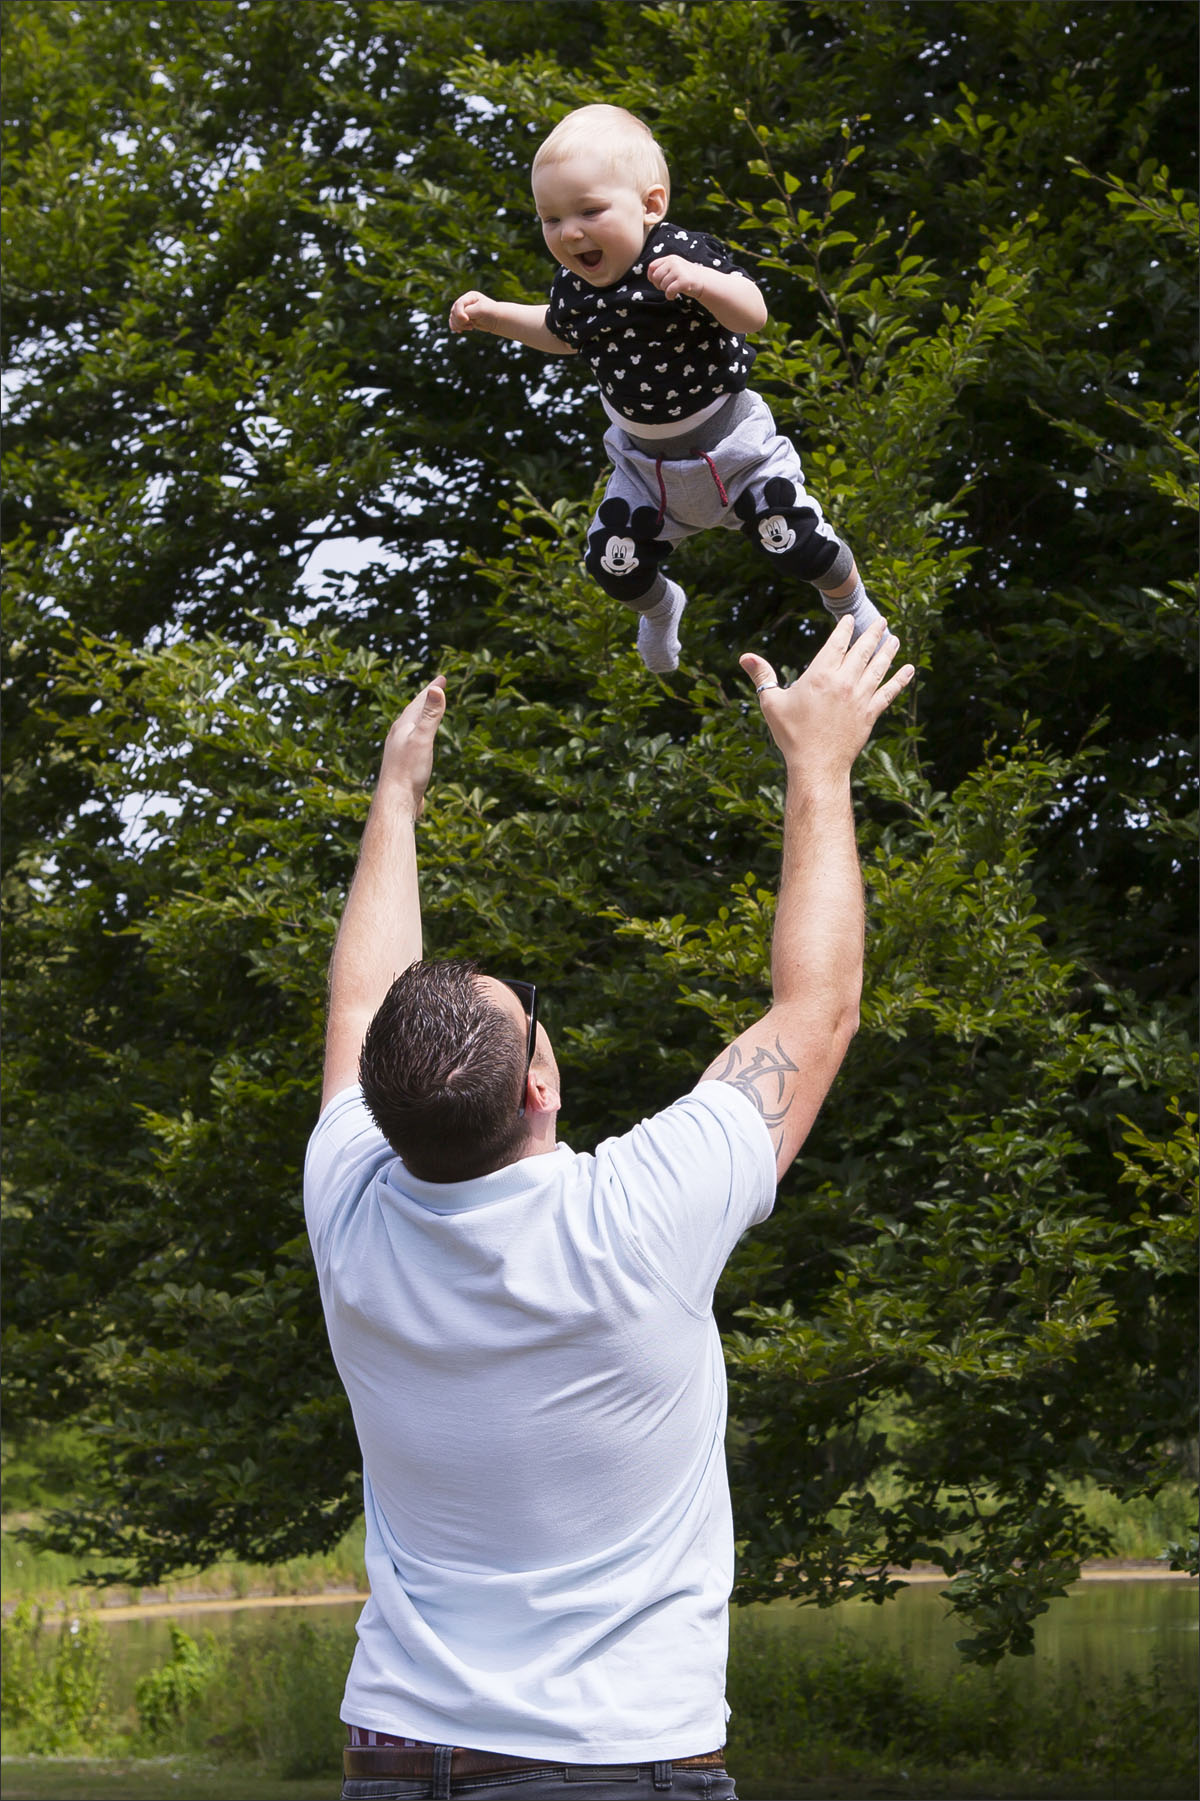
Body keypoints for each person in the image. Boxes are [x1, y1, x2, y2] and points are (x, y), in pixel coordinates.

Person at [304, 614, 912, 1799]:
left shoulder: (350, 1211)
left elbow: (355, 1006)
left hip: (394, 1749)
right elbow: (817, 1010)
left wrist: (393, 800)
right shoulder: (637, 1216)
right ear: (542, 1081)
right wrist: (821, 765)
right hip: (607, 1764)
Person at [449, 102, 883, 675]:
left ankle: (852, 605)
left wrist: (705, 284)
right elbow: (559, 332)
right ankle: (660, 611)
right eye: (550, 219)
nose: (569, 232)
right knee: (613, 565)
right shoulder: (575, 286)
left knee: (798, 544)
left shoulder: (680, 254)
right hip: (643, 467)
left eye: (589, 211)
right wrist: (495, 314)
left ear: (651, 205)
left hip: (733, 452)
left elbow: (752, 315)